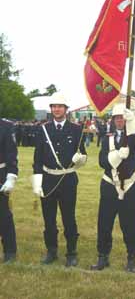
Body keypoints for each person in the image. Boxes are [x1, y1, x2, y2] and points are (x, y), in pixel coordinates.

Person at [32, 92, 87, 267]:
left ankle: (71, 252)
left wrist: (81, 159)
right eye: (54, 106)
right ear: (51, 109)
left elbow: (83, 153)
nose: (56, 109)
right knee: (49, 219)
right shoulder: (43, 130)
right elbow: (37, 158)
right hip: (48, 179)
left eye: (60, 106)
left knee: (69, 218)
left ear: (66, 109)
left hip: (68, 179)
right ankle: (51, 251)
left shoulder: (77, 130)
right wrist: (37, 181)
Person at [90, 103, 135, 273]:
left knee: (130, 224)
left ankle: (132, 258)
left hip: (128, 186)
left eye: (122, 117)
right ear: (113, 120)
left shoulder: (134, 137)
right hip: (109, 185)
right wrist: (115, 156)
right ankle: (103, 256)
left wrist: (134, 120)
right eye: (117, 118)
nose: (119, 120)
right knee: (104, 223)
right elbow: (101, 161)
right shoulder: (108, 137)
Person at [0, 119, 18, 263]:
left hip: (0, 173)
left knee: (3, 214)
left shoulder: (6, 126)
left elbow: (12, 154)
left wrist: (11, 176)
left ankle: (10, 250)